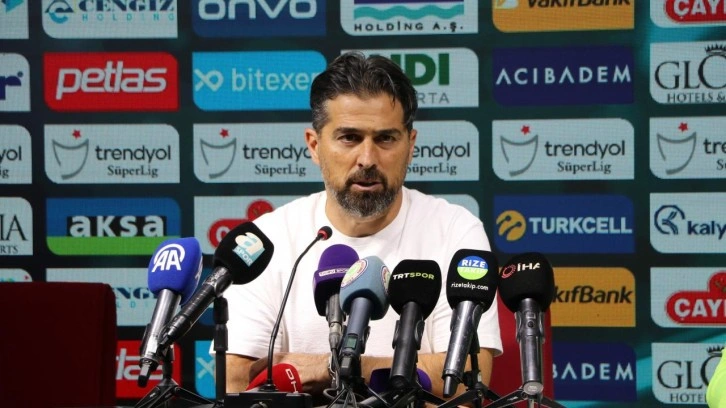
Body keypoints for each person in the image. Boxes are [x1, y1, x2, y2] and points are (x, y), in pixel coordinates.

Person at [221, 51, 502, 402]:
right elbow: (234, 378)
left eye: (386, 139)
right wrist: (389, 374)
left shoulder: (455, 230)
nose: (367, 159)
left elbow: (463, 382)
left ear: (410, 145)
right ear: (314, 146)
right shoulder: (268, 238)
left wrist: (323, 368)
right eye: (349, 138)